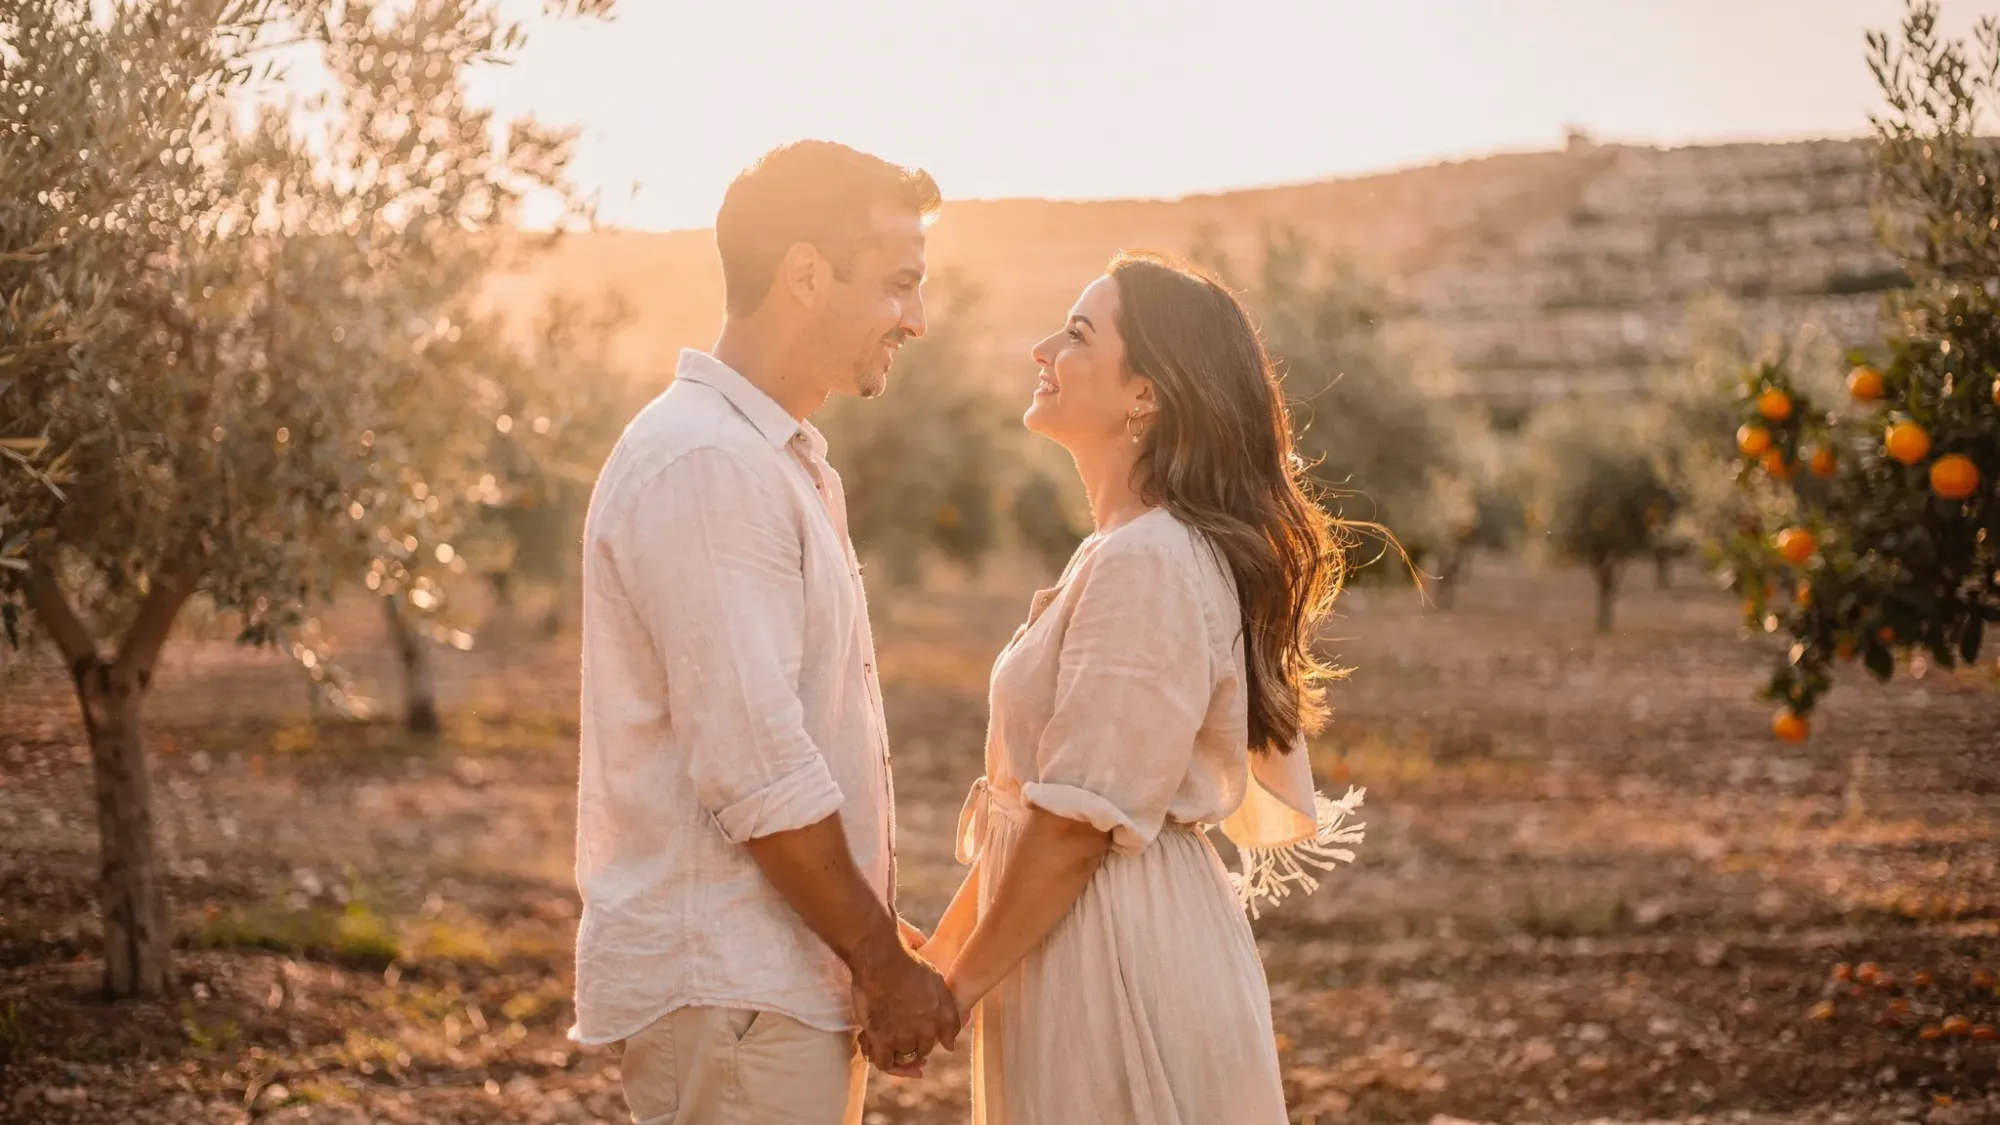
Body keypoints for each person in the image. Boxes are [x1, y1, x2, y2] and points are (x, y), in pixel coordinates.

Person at [917, 252, 1366, 1124]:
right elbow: (1036, 807)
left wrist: (955, 990)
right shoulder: (1119, 551)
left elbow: (1076, 823)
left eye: (1079, 333)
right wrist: (936, 960)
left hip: (1114, 955)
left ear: (1146, 395)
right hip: (1072, 934)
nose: (1044, 348)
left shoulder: (1149, 561)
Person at [571, 141, 960, 1125]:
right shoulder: (706, 463)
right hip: (737, 994)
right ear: (803, 275)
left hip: (772, 986)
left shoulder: (766, 459)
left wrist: (871, 941)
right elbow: (755, 766)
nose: (914, 320)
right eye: (898, 285)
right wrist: (880, 961)